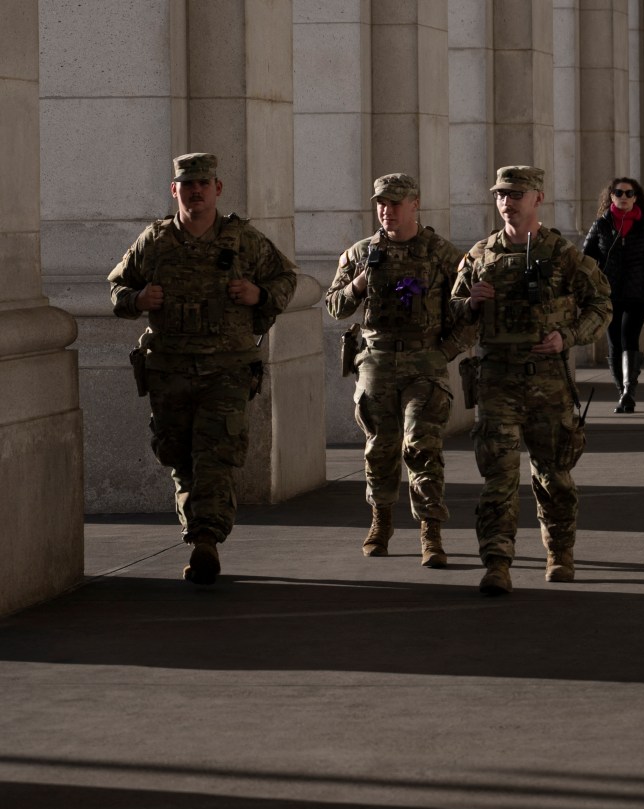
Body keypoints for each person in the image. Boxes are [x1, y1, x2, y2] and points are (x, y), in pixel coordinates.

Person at [108, 153, 297, 585]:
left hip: (226, 370)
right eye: (188, 184)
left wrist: (258, 295)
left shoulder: (243, 240)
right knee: (179, 458)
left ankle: (206, 538)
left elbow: (287, 279)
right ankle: (198, 532)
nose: (196, 191)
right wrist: (138, 300)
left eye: (203, 183)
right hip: (169, 370)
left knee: (216, 455)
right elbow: (117, 288)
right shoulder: (154, 241)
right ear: (174, 190)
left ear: (217, 188)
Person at [451, 166, 612, 595]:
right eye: (501, 194)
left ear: (537, 198)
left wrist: (568, 337)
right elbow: (452, 310)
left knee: (554, 475)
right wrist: (470, 303)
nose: (507, 202)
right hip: (497, 382)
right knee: (498, 478)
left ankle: (559, 553)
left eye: (516, 194)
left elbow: (601, 303)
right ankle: (497, 562)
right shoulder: (480, 254)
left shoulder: (562, 254)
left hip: (548, 383)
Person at [325, 173, 473, 565]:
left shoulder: (441, 253)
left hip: (425, 363)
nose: (386, 210)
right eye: (381, 203)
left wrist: (447, 350)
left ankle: (431, 530)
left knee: (422, 445)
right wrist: (359, 283)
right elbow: (335, 306)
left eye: (394, 203)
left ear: (414, 204)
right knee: (380, 448)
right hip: (377, 361)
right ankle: (381, 522)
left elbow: (471, 309)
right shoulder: (361, 252)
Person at [582, 177, 644, 413]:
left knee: (628, 337)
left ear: (635, 198)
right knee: (614, 342)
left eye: (629, 193)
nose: (624, 197)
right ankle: (621, 391)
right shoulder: (601, 225)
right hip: (608, 295)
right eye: (619, 193)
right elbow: (585, 260)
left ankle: (628, 391)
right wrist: (584, 292)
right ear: (611, 196)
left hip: (637, 294)